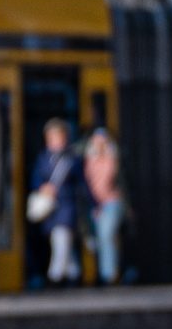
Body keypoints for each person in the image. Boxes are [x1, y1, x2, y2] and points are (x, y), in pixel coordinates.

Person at [25, 118, 87, 289]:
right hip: (49, 206)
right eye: (51, 137)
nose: (54, 140)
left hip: (67, 205)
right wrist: (41, 187)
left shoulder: (72, 158)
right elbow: (36, 177)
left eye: (57, 136)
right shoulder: (43, 157)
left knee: (61, 238)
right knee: (61, 240)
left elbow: (82, 183)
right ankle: (74, 274)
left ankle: (55, 275)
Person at [83, 125, 128, 285]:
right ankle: (104, 272)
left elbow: (119, 182)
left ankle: (109, 274)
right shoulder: (89, 160)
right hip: (95, 205)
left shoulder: (114, 159)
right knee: (99, 240)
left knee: (107, 236)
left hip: (111, 202)